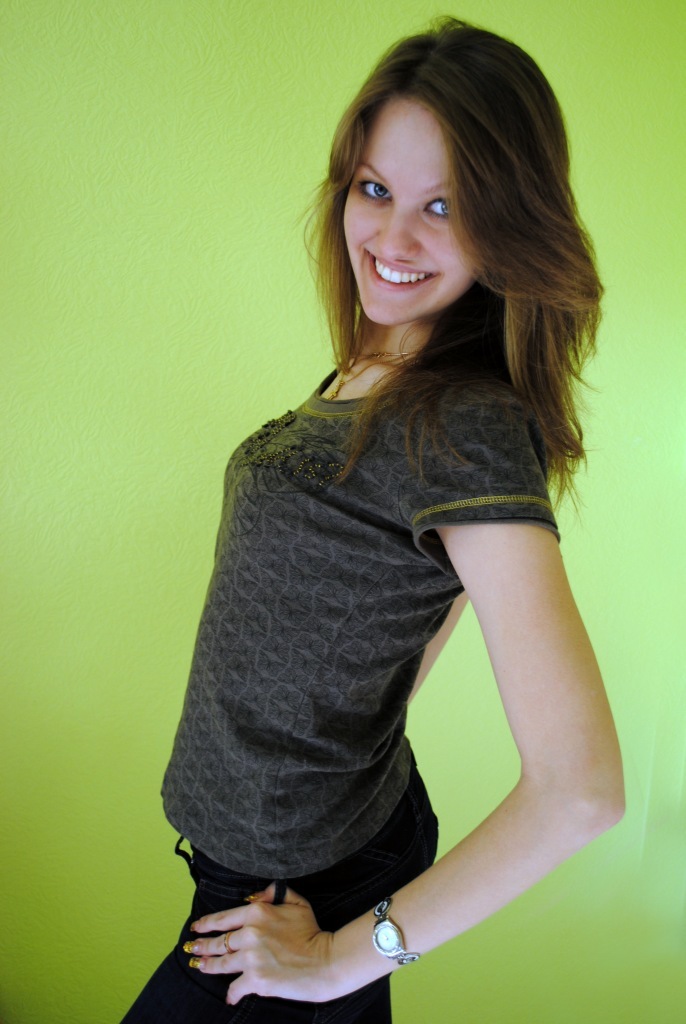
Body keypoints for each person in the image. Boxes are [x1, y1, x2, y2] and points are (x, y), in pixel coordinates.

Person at [121, 17, 624, 1024]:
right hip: (298, 854)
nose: (391, 239)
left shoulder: (465, 424)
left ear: (508, 225)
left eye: (445, 206)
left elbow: (581, 792)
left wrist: (344, 960)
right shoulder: (380, 362)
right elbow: (434, 593)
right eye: (375, 189)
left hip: (297, 893)